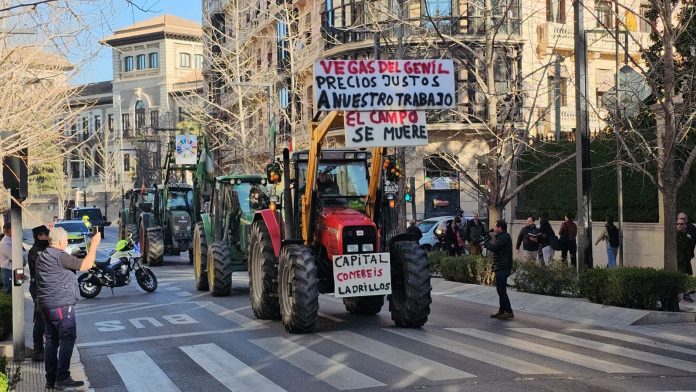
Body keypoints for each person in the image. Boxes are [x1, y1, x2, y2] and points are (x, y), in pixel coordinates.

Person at [36, 227, 101, 389]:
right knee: (67, 338)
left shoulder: (43, 255)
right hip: (61, 305)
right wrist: (94, 245)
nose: (67, 242)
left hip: (46, 305)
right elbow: (86, 264)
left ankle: (51, 378)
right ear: (59, 241)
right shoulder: (60, 256)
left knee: (51, 341)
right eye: (66, 240)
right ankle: (62, 376)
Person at [28, 225, 50, 362]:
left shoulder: (47, 249)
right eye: (44, 235)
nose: (46, 237)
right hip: (39, 289)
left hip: (48, 288)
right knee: (40, 320)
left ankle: (47, 348)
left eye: (47, 234)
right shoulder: (35, 251)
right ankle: (38, 350)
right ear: (38, 236)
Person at [484, 220, 514, 320]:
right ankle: (502, 310)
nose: (495, 229)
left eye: (496, 227)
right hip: (501, 266)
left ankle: (509, 311)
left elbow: (495, 248)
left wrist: (486, 243)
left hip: (503, 267)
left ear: (500, 228)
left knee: (501, 290)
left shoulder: (504, 237)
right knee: (500, 290)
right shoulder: (503, 237)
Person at [677, 217, 694, 302]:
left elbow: (690, 247)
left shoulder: (688, 235)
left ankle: (685, 295)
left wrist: (689, 256)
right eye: (678, 224)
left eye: (681, 224)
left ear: (685, 225)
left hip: (686, 261)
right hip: (678, 261)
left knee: (686, 277)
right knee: (680, 278)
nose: (679, 225)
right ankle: (680, 295)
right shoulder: (675, 235)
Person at [0, 222, 12, 294]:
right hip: (8, 270)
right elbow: (14, 257)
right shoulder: (5, 242)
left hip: (12, 270)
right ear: (8, 230)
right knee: (9, 292)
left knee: (15, 292)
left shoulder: (11, 240)